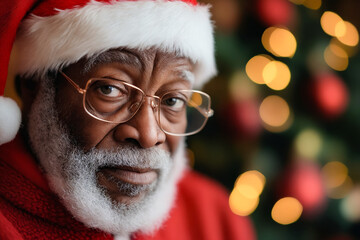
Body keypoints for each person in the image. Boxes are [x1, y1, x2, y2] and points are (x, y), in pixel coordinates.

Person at [0, 0, 256, 239]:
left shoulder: (215, 218)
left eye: (172, 101)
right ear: (35, 85)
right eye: (110, 89)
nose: (148, 135)